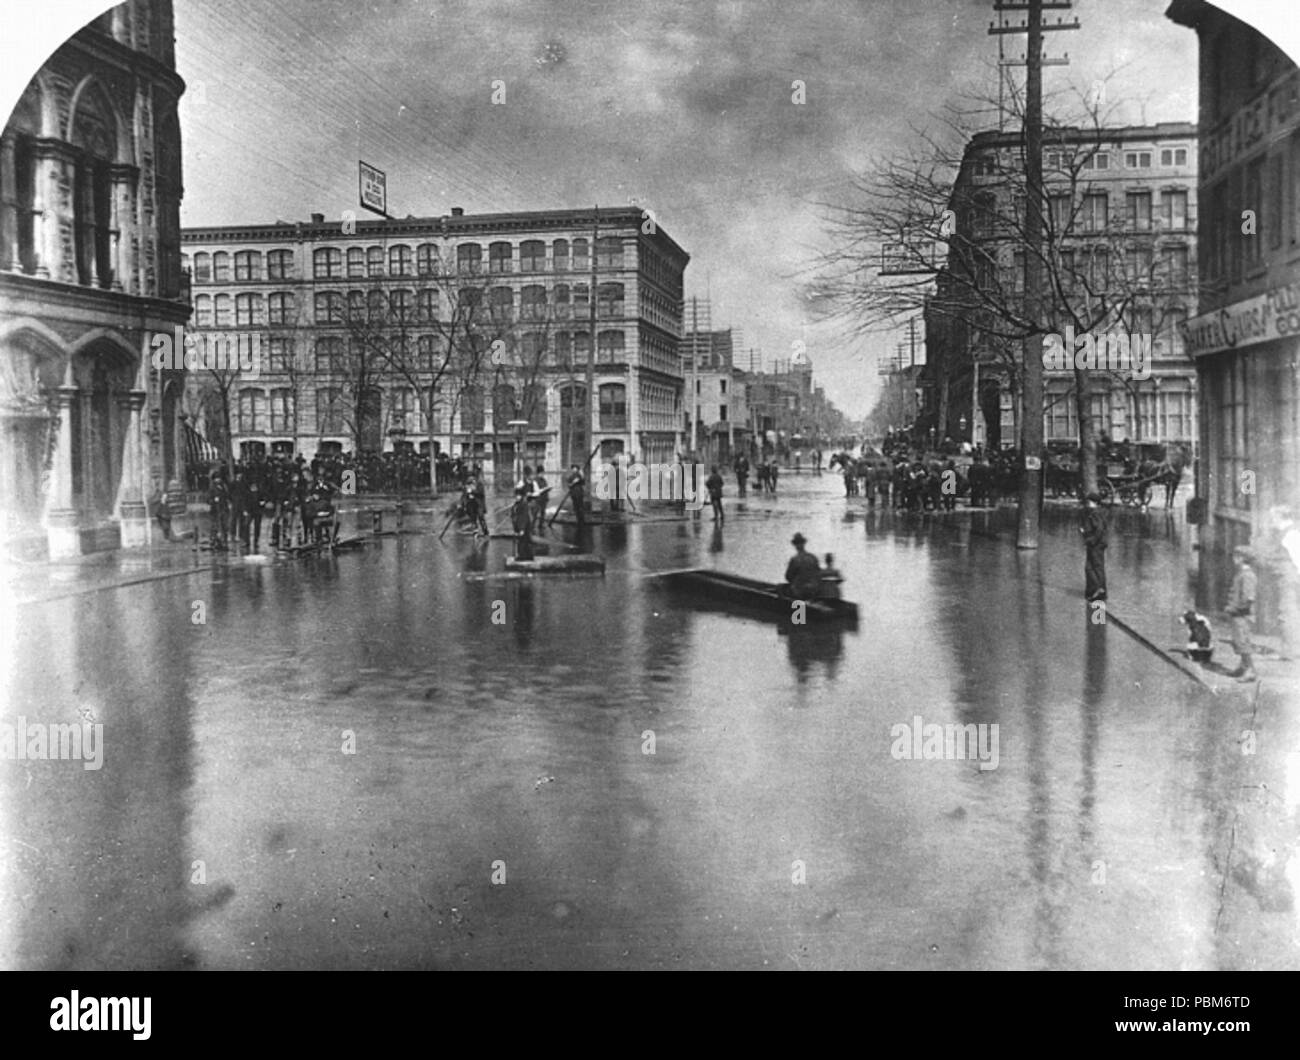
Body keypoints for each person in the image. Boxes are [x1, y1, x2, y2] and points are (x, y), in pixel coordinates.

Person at [1225, 546, 1258, 682]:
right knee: (1238, 641)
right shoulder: (1242, 574)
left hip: (1242, 615)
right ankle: (1243, 667)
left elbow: (1248, 599)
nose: (1233, 559)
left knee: (1243, 643)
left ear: (1242, 559)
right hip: (1237, 614)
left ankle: (1250, 671)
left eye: (1235, 557)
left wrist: (1235, 609)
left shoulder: (1247, 576)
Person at [1080, 491, 1108, 602]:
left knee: (1092, 568)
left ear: (1095, 502)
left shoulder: (1095, 514)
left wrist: (1091, 540)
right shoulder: (1100, 512)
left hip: (1096, 545)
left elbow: (1099, 529)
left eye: (1090, 502)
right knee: (1094, 567)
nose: (1088, 504)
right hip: (1098, 544)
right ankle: (1098, 591)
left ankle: (1097, 590)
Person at [782, 532, 822, 599]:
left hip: (800, 591)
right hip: (814, 590)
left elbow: (788, 577)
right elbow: (819, 574)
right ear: (804, 544)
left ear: (795, 546)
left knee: (780, 588)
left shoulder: (795, 559)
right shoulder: (813, 557)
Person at [510, 485, 534, 560]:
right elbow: (513, 515)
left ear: (522, 496)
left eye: (519, 496)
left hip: (524, 526)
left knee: (524, 542)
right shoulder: (516, 505)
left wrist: (522, 529)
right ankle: (525, 556)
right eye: (516, 496)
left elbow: (523, 517)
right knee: (522, 541)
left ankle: (523, 557)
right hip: (518, 526)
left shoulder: (524, 505)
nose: (517, 497)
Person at [530, 467, 551, 534]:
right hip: (537, 500)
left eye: (543, 473)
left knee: (543, 513)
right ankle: (532, 527)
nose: (543, 474)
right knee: (535, 514)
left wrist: (547, 492)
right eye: (541, 473)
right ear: (539, 473)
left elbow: (545, 487)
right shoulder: (535, 480)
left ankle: (540, 525)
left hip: (544, 499)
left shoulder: (544, 480)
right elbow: (534, 490)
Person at [566, 464, 587, 528]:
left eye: (575, 468)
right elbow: (569, 485)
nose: (574, 469)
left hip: (579, 493)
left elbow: (583, 482)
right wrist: (573, 482)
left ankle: (582, 520)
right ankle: (578, 520)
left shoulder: (580, 475)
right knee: (576, 507)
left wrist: (582, 475)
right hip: (573, 494)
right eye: (573, 468)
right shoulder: (571, 477)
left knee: (581, 507)